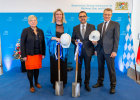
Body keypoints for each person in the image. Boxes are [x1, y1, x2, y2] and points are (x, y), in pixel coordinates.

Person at [92, 8, 120, 94]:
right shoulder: (99, 25)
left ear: (111, 15)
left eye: (109, 14)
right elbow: (99, 39)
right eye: (105, 14)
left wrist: (114, 51)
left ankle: (113, 85)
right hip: (100, 50)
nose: (107, 16)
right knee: (100, 68)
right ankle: (100, 82)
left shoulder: (115, 24)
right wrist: (96, 48)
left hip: (110, 51)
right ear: (103, 15)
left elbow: (116, 39)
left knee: (111, 69)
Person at [20, 15, 46, 93]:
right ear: (28, 22)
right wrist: (23, 55)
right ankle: (31, 85)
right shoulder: (25, 31)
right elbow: (22, 43)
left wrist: (43, 53)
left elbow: (43, 43)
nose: (33, 21)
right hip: (29, 54)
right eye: (31, 20)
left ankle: (36, 82)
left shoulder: (40, 31)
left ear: (37, 21)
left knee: (37, 69)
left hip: (38, 54)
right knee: (30, 70)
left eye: (34, 20)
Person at [72, 11, 95, 92]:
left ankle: (86, 84)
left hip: (88, 51)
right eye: (81, 16)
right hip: (78, 51)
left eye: (84, 16)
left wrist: (94, 50)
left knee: (87, 68)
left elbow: (94, 39)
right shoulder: (75, 28)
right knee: (78, 68)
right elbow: (72, 39)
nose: (82, 18)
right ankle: (78, 82)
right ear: (79, 18)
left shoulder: (92, 27)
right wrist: (74, 41)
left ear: (86, 17)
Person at [46, 9, 69, 89]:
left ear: (62, 15)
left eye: (60, 14)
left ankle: (63, 81)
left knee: (63, 65)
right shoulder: (51, 25)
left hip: (64, 49)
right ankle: (55, 82)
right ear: (54, 16)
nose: (59, 16)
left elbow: (69, 36)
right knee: (54, 65)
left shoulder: (66, 25)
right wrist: (56, 38)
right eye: (57, 14)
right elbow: (47, 35)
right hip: (54, 49)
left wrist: (64, 40)